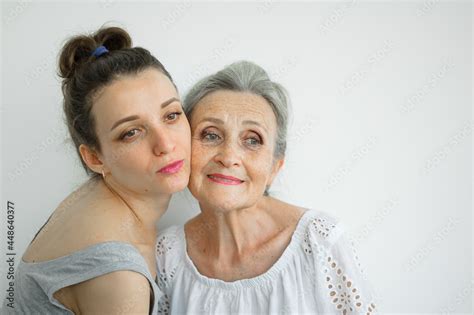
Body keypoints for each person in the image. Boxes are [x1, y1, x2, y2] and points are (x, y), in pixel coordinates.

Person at [155, 61, 378, 314]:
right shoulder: (166, 256)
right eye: (210, 134)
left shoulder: (320, 241)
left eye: (252, 140)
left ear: (275, 166)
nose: (228, 157)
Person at [2, 26, 191, 314]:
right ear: (94, 158)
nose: (165, 143)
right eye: (131, 132)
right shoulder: (116, 275)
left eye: (172, 115)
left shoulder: (101, 197)